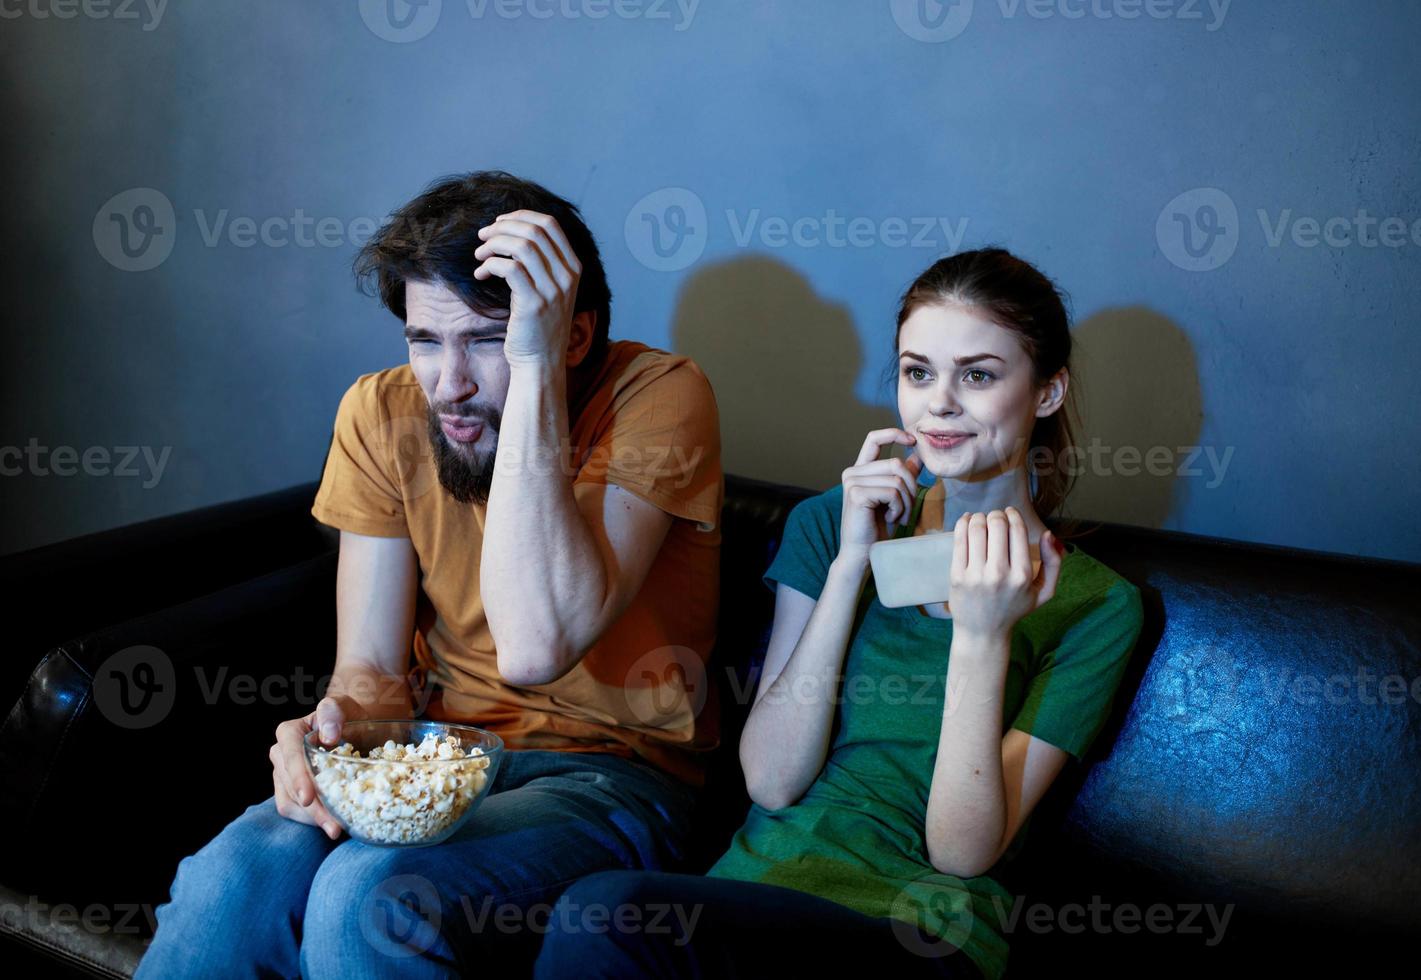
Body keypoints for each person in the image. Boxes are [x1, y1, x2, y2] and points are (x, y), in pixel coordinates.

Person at [134, 171, 724, 978]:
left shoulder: (659, 395)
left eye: (485, 340)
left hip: (611, 776)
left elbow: (534, 646)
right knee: (226, 881)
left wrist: (535, 367)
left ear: (570, 336)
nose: (449, 384)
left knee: (368, 894)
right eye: (424, 341)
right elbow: (372, 668)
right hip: (432, 752)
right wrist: (333, 731)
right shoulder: (379, 413)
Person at [530, 248, 1146, 980]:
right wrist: (851, 564)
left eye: (977, 375)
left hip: (919, 933)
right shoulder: (832, 524)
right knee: (604, 917)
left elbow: (959, 852)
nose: (938, 403)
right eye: (918, 372)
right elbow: (771, 781)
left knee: (603, 915)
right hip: (749, 900)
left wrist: (982, 637)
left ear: (1046, 392)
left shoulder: (1094, 603)